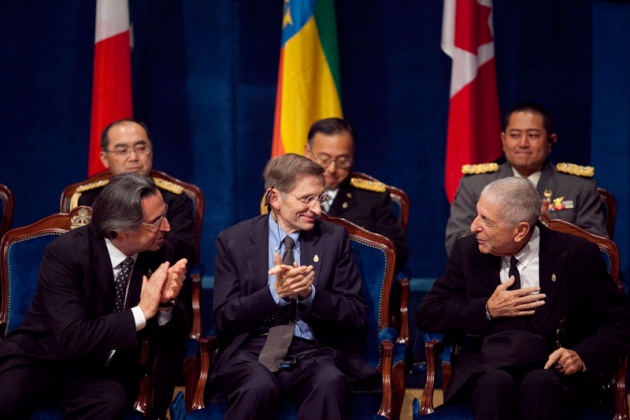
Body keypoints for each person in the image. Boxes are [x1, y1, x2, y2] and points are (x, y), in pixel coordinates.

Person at [417, 177, 630, 419]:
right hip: (487, 366)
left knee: (539, 384)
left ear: (520, 230)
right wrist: (487, 309)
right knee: (495, 384)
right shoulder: (468, 252)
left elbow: (620, 323)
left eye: (486, 220)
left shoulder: (577, 254)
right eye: (477, 215)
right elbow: (428, 314)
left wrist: (581, 355)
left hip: (553, 369)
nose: (474, 226)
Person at [0, 173, 190, 419]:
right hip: (41, 356)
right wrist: (141, 312)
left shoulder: (160, 251)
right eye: (155, 221)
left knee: (111, 402)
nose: (167, 226)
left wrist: (164, 306)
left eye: (164, 213)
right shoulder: (66, 254)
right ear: (121, 230)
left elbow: (173, 341)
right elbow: (72, 336)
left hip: (93, 371)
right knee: (7, 398)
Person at [208, 154, 373, 419]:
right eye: (307, 199)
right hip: (251, 351)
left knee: (331, 383)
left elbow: (355, 314)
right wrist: (275, 295)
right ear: (274, 198)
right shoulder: (234, 241)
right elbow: (224, 318)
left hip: (313, 351)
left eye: (320, 198)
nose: (317, 209)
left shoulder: (333, 239)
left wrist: (310, 295)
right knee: (258, 388)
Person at [445, 102, 607, 254]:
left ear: (551, 141)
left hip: (559, 279)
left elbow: (599, 248)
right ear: (503, 140)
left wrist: (548, 230)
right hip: (492, 277)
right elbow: (455, 243)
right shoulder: (475, 184)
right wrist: (505, 237)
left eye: (533, 135)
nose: (523, 143)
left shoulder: (578, 186)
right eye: (515, 135)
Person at [72, 119, 196, 263]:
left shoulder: (174, 197)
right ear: (105, 158)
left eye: (141, 148)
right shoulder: (87, 198)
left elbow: (182, 250)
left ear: (151, 151)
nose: (133, 157)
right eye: (122, 150)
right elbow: (79, 250)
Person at [304, 117, 408, 271]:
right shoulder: (290, 193)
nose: (332, 168)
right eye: (324, 159)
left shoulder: (372, 198)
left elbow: (396, 252)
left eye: (342, 160)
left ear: (352, 155)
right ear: (308, 152)